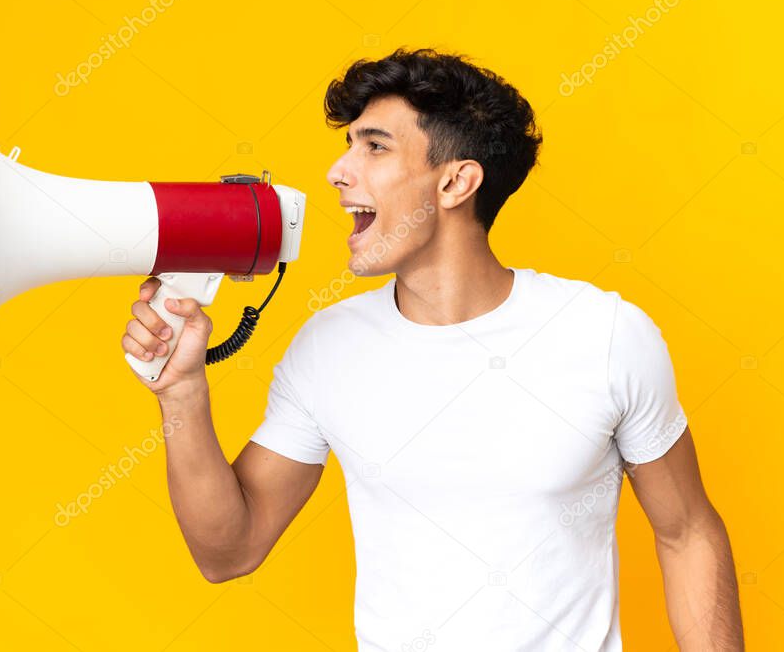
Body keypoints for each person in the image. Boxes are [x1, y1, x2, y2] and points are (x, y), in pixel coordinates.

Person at [120, 48, 744, 651]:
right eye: (347, 147)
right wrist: (182, 393)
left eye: (374, 146)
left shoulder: (605, 334)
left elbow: (687, 532)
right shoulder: (328, 348)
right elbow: (228, 552)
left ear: (455, 182)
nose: (338, 173)